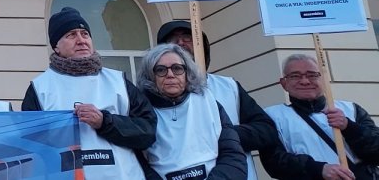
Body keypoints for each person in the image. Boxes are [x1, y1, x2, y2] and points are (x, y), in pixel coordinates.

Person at [21, 7, 156, 180]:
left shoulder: (118, 81)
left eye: (85, 34)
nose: (81, 40)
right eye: (71, 35)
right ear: (56, 47)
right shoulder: (40, 89)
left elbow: (147, 131)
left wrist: (104, 122)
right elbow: (32, 146)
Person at [158, 20, 277, 180]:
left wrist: (222, 135)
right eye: (173, 39)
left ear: (202, 46)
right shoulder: (154, 96)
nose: (180, 42)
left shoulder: (229, 87)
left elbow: (265, 130)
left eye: (187, 37)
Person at [136, 43, 248, 180]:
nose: (170, 75)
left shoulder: (208, 102)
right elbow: (137, 165)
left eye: (177, 68)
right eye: (160, 70)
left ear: (187, 73)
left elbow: (233, 156)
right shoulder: (140, 112)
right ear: (150, 76)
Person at [260, 54, 379, 180]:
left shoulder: (351, 109)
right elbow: (274, 162)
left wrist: (349, 127)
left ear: (323, 79)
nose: (305, 81)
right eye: (295, 76)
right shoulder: (272, 116)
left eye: (312, 75)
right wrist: (318, 169)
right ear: (284, 83)